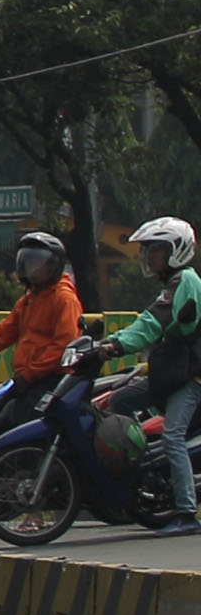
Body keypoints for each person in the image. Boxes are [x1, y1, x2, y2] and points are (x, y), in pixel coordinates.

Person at [103, 216, 201, 534]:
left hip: (191, 377)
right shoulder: (174, 283)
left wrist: (116, 345)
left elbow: (153, 322)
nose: (149, 256)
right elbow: (148, 320)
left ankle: (186, 513)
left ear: (177, 250)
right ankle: (132, 482)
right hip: (172, 372)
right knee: (118, 401)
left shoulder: (186, 281)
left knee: (173, 436)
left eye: (156, 249)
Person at [0, 230, 84, 424]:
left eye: (36, 263)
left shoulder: (64, 299)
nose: (30, 268)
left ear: (53, 266)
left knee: (15, 422)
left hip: (50, 379)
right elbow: (1, 336)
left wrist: (30, 375)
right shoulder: (28, 301)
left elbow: (63, 346)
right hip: (27, 380)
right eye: (26, 262)